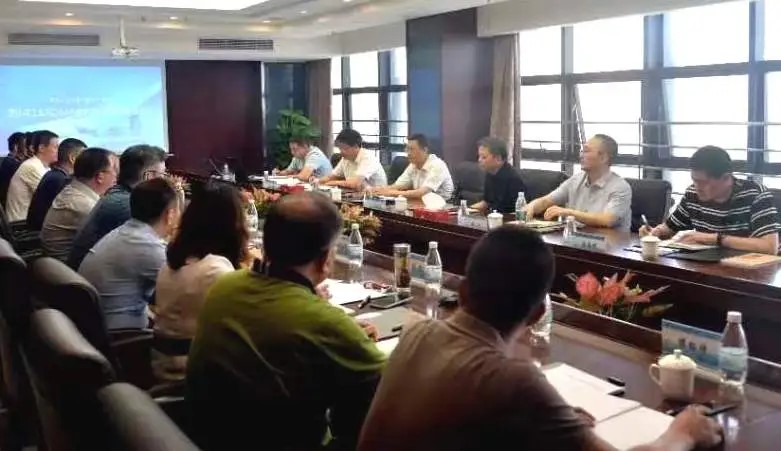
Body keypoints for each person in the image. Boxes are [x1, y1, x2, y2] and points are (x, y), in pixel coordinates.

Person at [358, 225, 723, 451]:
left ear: (464, 292)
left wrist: (553, 421)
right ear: (536, 315)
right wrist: (682, 433)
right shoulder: (515, 380)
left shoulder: (417, 331)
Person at [186, 192, 386, 451]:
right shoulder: (324, 322)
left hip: (208, 437)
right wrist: (349, 335)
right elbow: (391, 383)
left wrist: (343, 332)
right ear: (326, 259)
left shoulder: (225, 286)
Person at [152, 183, 248, 381]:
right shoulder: (215, 271)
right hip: (194, 374)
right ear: (234, 226)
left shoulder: (174, 261)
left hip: (164, 363)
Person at [78, 178, 179, 330]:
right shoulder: (148, 247)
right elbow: (184, 290)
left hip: (92, 325)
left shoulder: (127, 232)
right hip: (119, 335)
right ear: (170, 215)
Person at [641, 146, 780, 255]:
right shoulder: (692, 194)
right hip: (707, 266)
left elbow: (770, 247)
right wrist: (656, 232)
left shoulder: (755, 195)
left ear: (726, 178)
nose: (697, 187)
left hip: (752, 272)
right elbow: (670, 228)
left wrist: (716, 239)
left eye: (702, 182)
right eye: (694, 180)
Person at [68, 144, 168, 270]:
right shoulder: (126, 205)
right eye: (163, 175)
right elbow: (159, 250)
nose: (165, 181)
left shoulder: (117, 194)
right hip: (93, 279)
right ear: (149, 176)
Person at [524, 134, 632, 231]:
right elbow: (547, 200)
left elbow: (607, 220)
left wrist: (569, 213)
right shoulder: (576, 180)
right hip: (575, 240)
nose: (581, 155)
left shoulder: (620, 187)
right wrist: (531, 207)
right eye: (581, 151)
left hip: (609, 244)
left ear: (604, 158)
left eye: (586, 151)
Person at [40, 148, 117, 262]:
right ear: (100, 177)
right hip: (70, 267)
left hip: (59, 262)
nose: (117, 175)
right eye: (115, 170)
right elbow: (111, 245)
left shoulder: (74, 189)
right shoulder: (84, 205)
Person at [370, 133, 454, 201]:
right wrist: (379, 190)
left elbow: (422, 193)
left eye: (412, 149)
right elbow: (398, 186)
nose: (408, 153)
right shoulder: (413, 165)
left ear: (424, 150)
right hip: (421, 203)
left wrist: (392, 193)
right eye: (407, 149)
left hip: (444, 205)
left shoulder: (437, 165)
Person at [27, 138, 88, 231]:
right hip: (38, 235)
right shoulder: (60, 180)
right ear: (73, 158)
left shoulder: (54, 174)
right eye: (85, 158)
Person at [5, 130, 59, 221]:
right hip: (21, 223)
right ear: (41, 148)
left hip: (30, 220)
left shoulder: (44, 167)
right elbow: (54, 198)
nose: (59, 151)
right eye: (56, 147)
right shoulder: (32, 167)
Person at [470, 137, 526, 214]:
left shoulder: (513, 179)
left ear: (498, 159)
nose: (479, 160)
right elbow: (486, 202)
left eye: (484, 157)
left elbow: (520, 209)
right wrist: (467, 210)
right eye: (479, 156)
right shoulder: (490, 173)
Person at [319, 129, 387, 190]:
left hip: (376, 197)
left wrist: (333, 183)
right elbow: (332, 176)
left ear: (355, 146)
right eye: (340, 148)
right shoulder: (346, 158)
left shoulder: (368, 158)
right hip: (356, 195)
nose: (341, 151)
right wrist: (318, 181)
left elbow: (355, 183)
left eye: (344, 148)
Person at [0, 132, 26, 208]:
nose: (27, 148)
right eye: (25, 144)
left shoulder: (8, 160)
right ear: (16, 146)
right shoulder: (13, 164)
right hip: (13, 205)